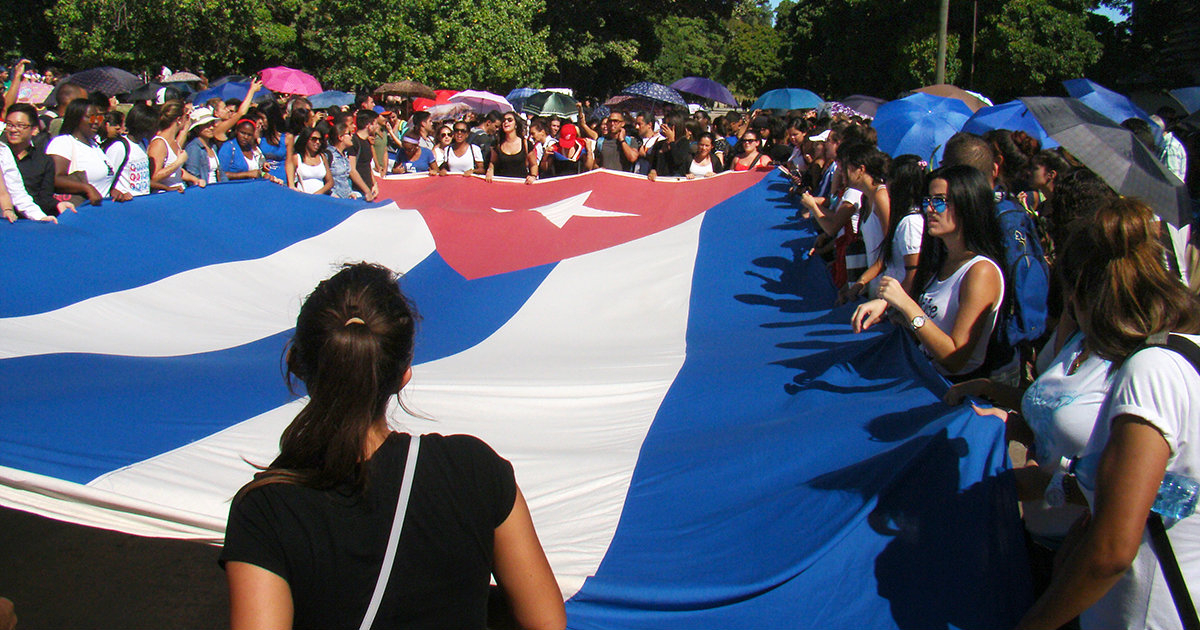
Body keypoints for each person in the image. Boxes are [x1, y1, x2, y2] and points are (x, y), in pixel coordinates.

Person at [220, 263, 566, 630]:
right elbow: (546, 622)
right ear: (403, 374)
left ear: (298, 365)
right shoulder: (476, 469)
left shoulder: (265, 509)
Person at [1015, 198, 1200, 630]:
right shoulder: (1184, 353)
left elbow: (1113, 549)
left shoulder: (1150, 370)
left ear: (1083, 296)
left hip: (1147, 612)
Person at [851, 164, 1007, 379]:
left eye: (940, 201)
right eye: (928, 201)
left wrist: (906, 305)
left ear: (967, 204)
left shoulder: (981, 272)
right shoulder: (943, 258)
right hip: (920, 373)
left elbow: (955, 358)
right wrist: (890, 308)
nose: (930, 209)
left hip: (948, 391)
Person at [841, 154, 924, 301]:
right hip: (883, 295)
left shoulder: (910, 224)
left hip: (893, 305)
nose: (887, 184)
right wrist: (860, 283)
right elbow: (884, 255)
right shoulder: (902, 219)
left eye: (890, 179)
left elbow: (913, 275)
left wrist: (887, 308)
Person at [45, 98, 127, 205]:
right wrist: (86, 188)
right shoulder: (63, 142)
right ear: (76, 118)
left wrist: (113, 191)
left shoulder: (94, 146)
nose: (97, 121)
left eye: (99, 117)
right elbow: (54, 178)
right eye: (91, 117)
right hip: (77, 209)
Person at [4, 103, 73, 218]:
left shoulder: (44, 161)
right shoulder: (3, 155)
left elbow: (44, 198)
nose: (13, 130)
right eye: (10, 125)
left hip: (29, 219)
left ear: (34, 129)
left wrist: (58, 205)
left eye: (20, 125)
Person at [148, 101, 203, 192]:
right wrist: (178, 162)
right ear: (179, 120)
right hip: (165, 196)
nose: (187, 120)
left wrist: (194, 179)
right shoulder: (159, 143)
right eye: (186, 117)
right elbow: (154, 177)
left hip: (179, 193)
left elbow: (176, 171)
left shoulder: (174, 142)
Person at [105, 102, 157, 198]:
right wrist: (117, 193)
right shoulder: (120, 147)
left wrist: (166, 188)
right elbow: (106, 179)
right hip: (126, 203)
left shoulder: (143, 143)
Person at [219, 119, 284, 184]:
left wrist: (264, 174)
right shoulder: (229, 147)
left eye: (249, 135)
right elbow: (221, 174)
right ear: (236, 131)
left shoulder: (252, 148)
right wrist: (247, 174)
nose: (245, 137)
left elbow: (257, 172)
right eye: (242, 133)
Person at [486, 112, 536, 184]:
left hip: (521, 185)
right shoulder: (497, 144)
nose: (506, 122)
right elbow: (493, 162)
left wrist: (533, 176)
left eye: (510, 120)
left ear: (516, 124)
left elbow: (533, 164)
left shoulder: (526, 144)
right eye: (504, 120)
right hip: (502, 185)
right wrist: (490, 170)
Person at [183, 107, 225, 186]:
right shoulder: (193, 148)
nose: (211, 127)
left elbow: (221, 173)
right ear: (197, 129)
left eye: (212, 124)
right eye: (206, 125)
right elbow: (193, 176)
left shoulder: (213, 146)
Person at [347, 109, 379, 201]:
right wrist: (366, 190)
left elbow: (367, 165)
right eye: (375, 124)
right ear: (369, 125)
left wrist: (374, 184)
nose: (377, 127)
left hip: (368, 191)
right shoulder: (354, 142)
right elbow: (352, 170)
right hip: (356, 192)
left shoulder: (367, 141)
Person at [290, 126, 333, 194]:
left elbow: (330, 182)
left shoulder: (322, 157)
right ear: (306, 140)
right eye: (314, 139)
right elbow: (291, 183)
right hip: (303, 196)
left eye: (320, 139)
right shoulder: (297, 158)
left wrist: (318, 193)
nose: (317, 142)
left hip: (319, 197)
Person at [325, 120, 358, 199]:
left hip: (346, 198)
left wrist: (350, 193)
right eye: (349, 134)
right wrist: (332, 195)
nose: (352, 136)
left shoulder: (345, 155)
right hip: (334, 199)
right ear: (340, 137)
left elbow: (344, 179)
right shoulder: (328, 155)